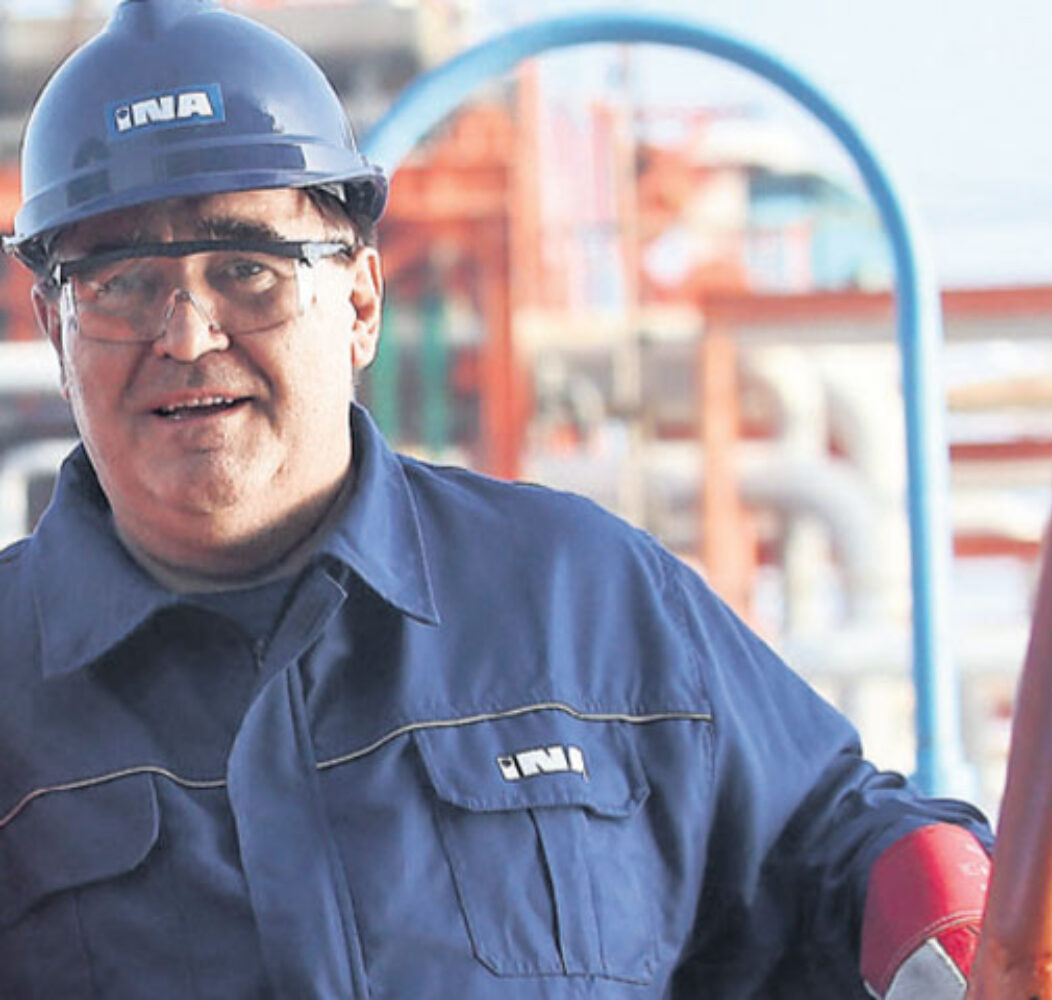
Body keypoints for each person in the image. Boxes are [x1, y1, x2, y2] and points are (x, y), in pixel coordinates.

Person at [0, 1, 993, 997]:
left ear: (359, 302)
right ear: (55, 328)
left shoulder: (581, 603)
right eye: (119, 284)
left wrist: (945, 907)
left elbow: (831, 844)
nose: (186, 335)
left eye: (248, 270)